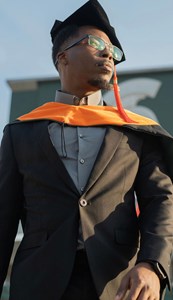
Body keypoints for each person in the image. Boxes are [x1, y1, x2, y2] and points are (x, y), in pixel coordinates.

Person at [0, 0, 173, 299]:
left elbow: (161, 201)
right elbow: (3, 218)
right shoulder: (22, 133)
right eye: (96, 43)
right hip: (39, 284)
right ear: (63, 57)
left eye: (114, 51)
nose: (109, 53)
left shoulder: (134, 131)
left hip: (117, 283)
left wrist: (152, 264)